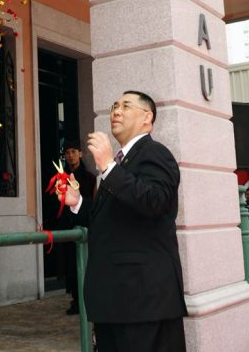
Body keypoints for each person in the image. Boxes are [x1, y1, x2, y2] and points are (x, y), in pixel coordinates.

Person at [56, 91, 186, 351]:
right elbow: (109, 221)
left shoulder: (155, 153)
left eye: (126, 106)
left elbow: (154, 202)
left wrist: (108, 168)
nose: (116, 110)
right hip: (117, 300)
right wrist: (77, 203)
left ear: (147, 117)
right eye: (115, 105)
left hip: (142, 300)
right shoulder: (121, 161)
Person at [60, 139, 96, 315]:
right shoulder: (61, 177)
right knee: (71, 265)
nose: (70, 155)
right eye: (67, 152)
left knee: (85, 263)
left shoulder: (89, 178)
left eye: (74, 151)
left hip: (84, 226)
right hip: (67, 225)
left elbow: (93, 202)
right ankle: (76, 300)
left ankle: (86, 300)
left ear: (80, 154)